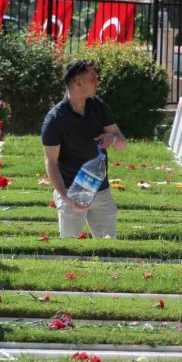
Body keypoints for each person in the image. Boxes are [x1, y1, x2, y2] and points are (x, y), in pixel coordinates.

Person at [42, 59, 127, 238]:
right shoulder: (55, 119)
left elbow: (122, 145)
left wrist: (112, 138)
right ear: (77, 82)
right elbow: (51, 163)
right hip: (72, 192)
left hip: (101, 190)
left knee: (109, 250)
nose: (97, 82)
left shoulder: (98, 106)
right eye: (93, 78)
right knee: (70, 251)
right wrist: (65, 197)